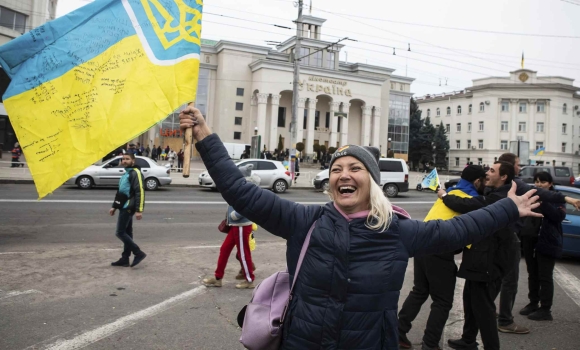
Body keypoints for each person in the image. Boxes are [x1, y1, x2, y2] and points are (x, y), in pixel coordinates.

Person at [179, 106, 541, 350]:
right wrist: (205, 136)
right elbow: (240, 192)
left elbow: (460, 230)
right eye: (337, 169)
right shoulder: (304, 221)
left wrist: (509, 207)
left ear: (372, 182)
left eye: (355, 168)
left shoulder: (399, 231)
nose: (343, 175)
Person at [398, 165, 487, 350]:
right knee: (443, 301)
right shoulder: (472, 200)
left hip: (421, 244)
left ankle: (398, 332)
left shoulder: (451, 193)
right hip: (439, 250)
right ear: (478, 181)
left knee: (420, 291)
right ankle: (430, 344)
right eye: (484, 180)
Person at [439, 162, 519, 350]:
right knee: (470, 300)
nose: (487, 174)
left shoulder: (501, 197)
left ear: (504, 177)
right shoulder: (492, 193)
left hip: (490, 261)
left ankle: (492, 346)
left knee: (484, 307)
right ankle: (468, 339)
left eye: (492, 171)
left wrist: (445, 196)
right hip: (480, 258)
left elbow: (468, 205)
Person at [202, 165, 260, 289]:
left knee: (243, 254)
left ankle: (249, 280)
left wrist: (234, 215)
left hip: (241, 225)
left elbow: (247, 206)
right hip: (236, 225)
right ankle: (218, 278)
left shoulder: (246, 188)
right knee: (224, 249)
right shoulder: (241, 187)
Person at [519, 171, 565, 321]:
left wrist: (543, 202)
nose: (539, 184)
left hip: (547, 241)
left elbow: (558, 216)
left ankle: (545, 309)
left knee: (545, 276)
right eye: (537, 181)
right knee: (533, 274)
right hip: (530, 238)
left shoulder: (557, 198)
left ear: (550, 184)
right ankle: (533, 302)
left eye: (543, 182)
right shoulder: (531, 196)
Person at [109, 153, 147, 268]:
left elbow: (140, 191)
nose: (124, 161)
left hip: (128, 207)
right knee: (127, 233)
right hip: (123, 206)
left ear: (133, 161)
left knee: (120, 232)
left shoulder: (136, 173)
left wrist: (139, 210)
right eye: (123, 159)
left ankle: (138, 253)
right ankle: (125, 259)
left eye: (127, 159)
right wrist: (114, 206)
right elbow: (121, 193)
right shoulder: (126, 173)